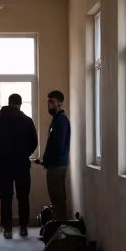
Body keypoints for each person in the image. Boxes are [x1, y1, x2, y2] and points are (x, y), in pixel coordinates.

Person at [0, 93, 38, 239]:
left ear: (8, 103)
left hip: (4, 165)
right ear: (20, 104)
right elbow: (34, 143)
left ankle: (7, 229)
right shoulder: (27, 121)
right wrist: (24, 154)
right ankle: (23, 227)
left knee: (5, 198)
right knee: (23, 197)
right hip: (22, 165)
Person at [36, 89, 71, 219]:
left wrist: (48, 161)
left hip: (56, 166)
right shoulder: (56, 120)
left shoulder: (61, 120)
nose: (49, 105)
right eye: (48, 102)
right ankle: (59, 224)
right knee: (56, 198)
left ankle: (61, 225)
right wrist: (45, 161)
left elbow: (58, 146)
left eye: (52, 102)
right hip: (54, 165)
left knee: (57, 199)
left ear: (59, 103)